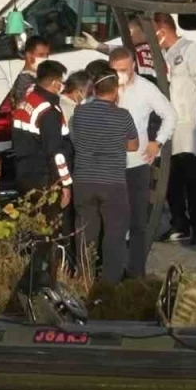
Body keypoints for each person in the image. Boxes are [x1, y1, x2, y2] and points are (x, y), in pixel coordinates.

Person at [112, 46, 177, 278]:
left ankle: (136, 272)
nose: (120, 74)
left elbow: (170, 115)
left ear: (133, 67)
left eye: (124, 69)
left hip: (137, 163)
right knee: (113, 221)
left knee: (138, 221)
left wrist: (157, 142)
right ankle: (112, 271)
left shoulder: (145, 89)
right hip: (109, 165)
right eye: (115, 70)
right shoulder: (106, 86)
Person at [70, 71, 140, 284]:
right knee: (114, 235)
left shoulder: (79, 112)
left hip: (83, 181)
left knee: (85, 233)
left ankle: (85, 278)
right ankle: (110, 282)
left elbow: (75, 138)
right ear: (116, 91)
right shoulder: (123, 115)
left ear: (94, 90)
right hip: (113, 183)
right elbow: (134, 145)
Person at [152, 12, 196, 244]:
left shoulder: (190, 49)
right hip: (167, 123)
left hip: (187, 122)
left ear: (163, 29)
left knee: (190, 177)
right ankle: (179, 224)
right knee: (171, 178)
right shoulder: (162, 53)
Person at [11, 60, 74, 200]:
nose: (62, 86)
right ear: (55, 83)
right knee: (52, 219)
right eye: (61, 82)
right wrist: (64, 184)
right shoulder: (48, 111)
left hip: (25, 174)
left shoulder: (28, 100)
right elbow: (55, 152)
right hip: (45, 179)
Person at [11, 36, 52, 102]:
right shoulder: (25, 81)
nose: (45, 58)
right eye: (41, 55)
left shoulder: (36, 77)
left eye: (47, 55)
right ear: (29, 56)